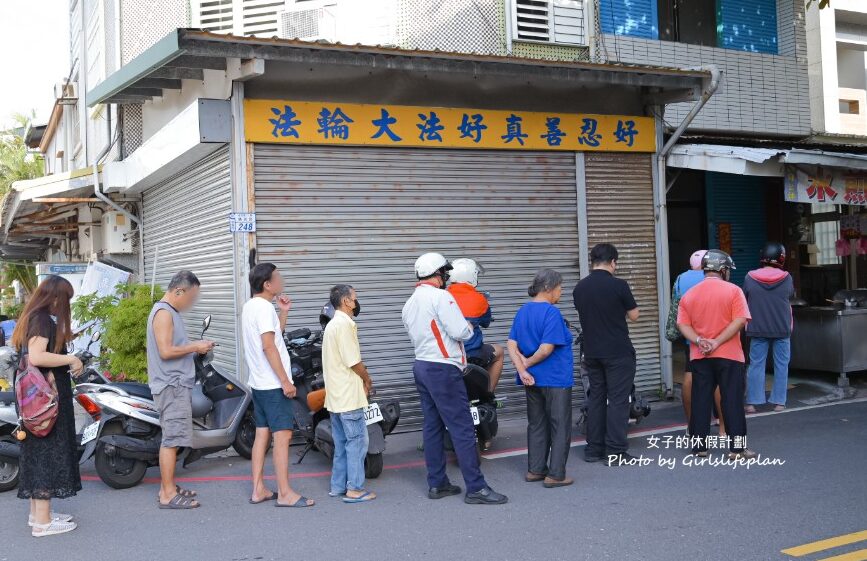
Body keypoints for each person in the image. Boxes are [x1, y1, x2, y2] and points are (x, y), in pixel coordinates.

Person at [402, 252, 507, 505]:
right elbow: (461, 331)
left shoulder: (409, 303)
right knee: (461, 427)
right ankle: (476, 488)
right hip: (443, 369)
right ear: (439, 275)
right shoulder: (441, 297)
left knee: (433, 426)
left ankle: (437, 483)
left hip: (422, 365)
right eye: (445, 274)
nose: (447, 278)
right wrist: (469, 327)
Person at [12, 275, 82, 537]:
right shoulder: (42, 318)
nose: (64, 305)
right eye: (66, 299)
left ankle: (37, 514)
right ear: (55, 297)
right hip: (46, 399)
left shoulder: (35, 316)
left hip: (35, 398)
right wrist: (70, 358)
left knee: (37, 452)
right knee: (46, 454)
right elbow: (38, 355)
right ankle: (43, 523)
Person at [242, 263, 314, 508]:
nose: (281, 280)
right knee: (282, 436)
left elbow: (274, 336)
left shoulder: (252, 306)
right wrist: (285, 381)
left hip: (260, 384)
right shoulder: (262, 308)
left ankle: (258, 489)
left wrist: (283, 311)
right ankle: (284, 493)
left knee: (262, 434)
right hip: (273, 384)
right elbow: (269, 346)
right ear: (267, 284)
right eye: (277, 277)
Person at [677, 249, 757, 459]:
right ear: (722, 270)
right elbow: (740, 320)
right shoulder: (733, 291)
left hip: (700, 355)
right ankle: (737, 449)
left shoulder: (690, 294)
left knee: (700, 399)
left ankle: (699, 446)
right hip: (729, 354)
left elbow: (682, 325)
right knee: (731, 400)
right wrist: (717, 341)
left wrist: (699, 341)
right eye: (727, 269)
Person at [147, 270, 214, 510]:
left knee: (173, 439)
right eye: (191, 297)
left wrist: (194, 347)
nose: (191, 303)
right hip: (171, 385)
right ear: (178, 291)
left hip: (175, 384)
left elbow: (172, 347)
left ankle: (170, 487)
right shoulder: (164, 313)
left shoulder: (169, 312)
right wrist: (195, 346)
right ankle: (167, 494)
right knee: (172, 440)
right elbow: (165, 351)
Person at [573, 243, 640, 466]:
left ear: (593, 261)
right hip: (618, 352)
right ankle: (616, 452)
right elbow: (634, 316)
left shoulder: (580, 288)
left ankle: (594, 449)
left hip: (591, 352)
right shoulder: (619, 285)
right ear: (613, 262)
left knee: (596, 399)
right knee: (619, 401)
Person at [507, 269, 574, 488]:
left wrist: (523, 370)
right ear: (548, 288)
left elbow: (511, 345)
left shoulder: (523, 311)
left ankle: (535, 469)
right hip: (555, 378)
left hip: (532, 380)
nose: (561, 292)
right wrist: (526, 364)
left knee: (536, 423)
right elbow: (546, 349)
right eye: (560, 287)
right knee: (560, 425)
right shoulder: (551, 313)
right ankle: (556, 474)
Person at [322, 284, 376, 503]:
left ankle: (338, 486)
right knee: (357, 442)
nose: (356, 302)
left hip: (335, 397)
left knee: (343, 443)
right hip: (348, 396)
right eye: (354, 298)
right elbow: (354, 361)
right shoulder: (344, 325)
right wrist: (367, 378)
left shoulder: (332, 325)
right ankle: (354, 489)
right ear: (346, 301)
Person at [674, 250, 726, 437]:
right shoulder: (719, 282)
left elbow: (676, 308)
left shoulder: (681, 279)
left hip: (694, 339)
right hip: (719, 339)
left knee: (690, 377)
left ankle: (692, 426)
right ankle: (722, 427)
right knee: (720, 380)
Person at [744, 242, 794, 413]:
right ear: (781, 257)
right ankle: (779, 402)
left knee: (756, 364)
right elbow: (790, 295)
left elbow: (745, 297)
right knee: (781, 365)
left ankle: (752, 403)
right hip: (782, 328)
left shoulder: (750, 277)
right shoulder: (787, 277)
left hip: (757, 327)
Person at [447, 258, 504, 393]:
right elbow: (486, 322)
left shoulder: (443, 296)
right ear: (471, 276)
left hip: (449, 356)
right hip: (473, 354)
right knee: (500, 352)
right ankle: (488, 393)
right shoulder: (479, 299)